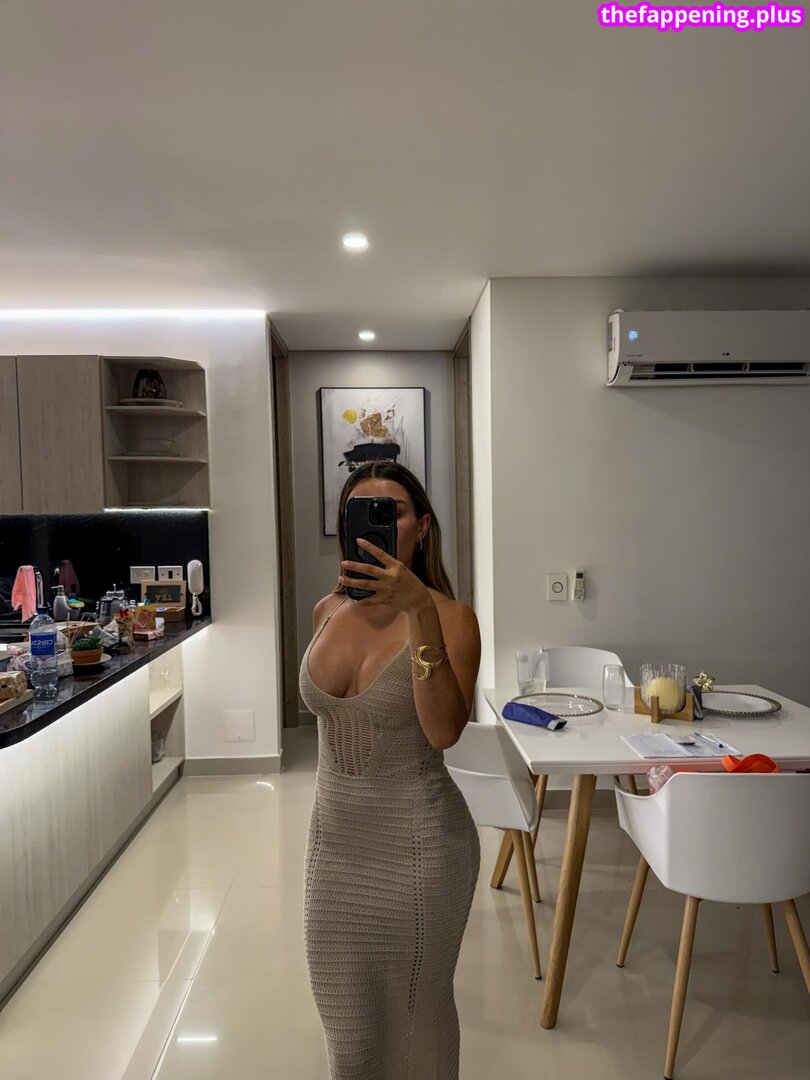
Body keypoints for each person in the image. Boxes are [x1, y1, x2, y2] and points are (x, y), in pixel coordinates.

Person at [300, 461, 481, 1080]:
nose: (377, 524)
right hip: (334, 851)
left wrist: (419, 612)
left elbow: (444, 731)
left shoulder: (452, 618)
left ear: (421, 527)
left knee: (417, 1022)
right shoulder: (327, 611)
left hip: (420, 849)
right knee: (349, 1032)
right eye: (360, 512)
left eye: (394, 511)